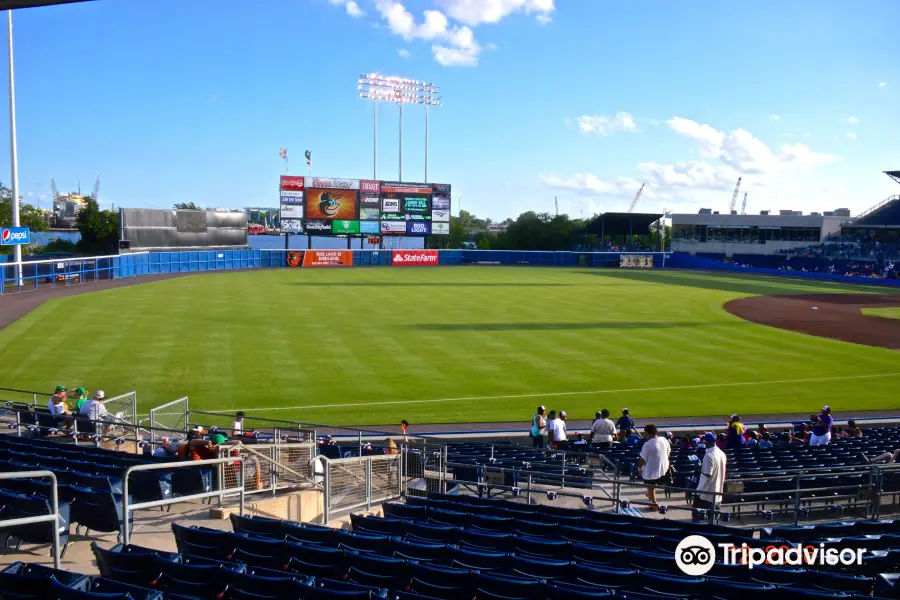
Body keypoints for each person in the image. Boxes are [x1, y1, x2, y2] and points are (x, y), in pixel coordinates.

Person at [694, 432, 727, 522]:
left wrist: (698, 490)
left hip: (706, 492)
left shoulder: (708, 455)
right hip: (717, 491)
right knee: (713, 519)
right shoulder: (722, 453)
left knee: (697, 516)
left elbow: (706, 475)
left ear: (707, 442)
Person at [638, 424, 670, 511]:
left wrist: (639, 468)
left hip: (652, 471)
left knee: (650, 484)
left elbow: (642, 459)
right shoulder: (664, 440)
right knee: (652, 482)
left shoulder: (647, 444)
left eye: (646, 434)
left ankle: (654, 504)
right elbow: (668, 453)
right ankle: (650, 494)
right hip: (664, 468)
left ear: (649, 434)